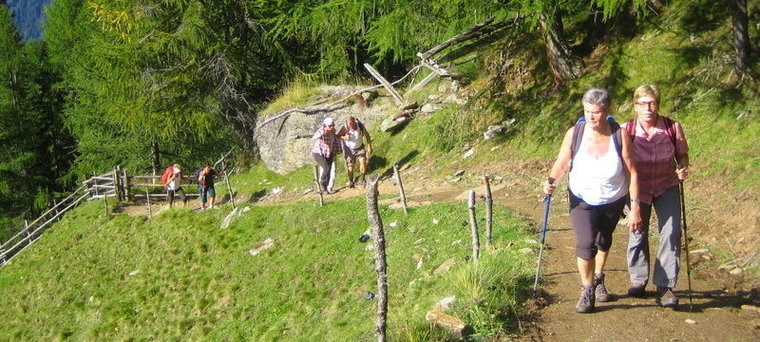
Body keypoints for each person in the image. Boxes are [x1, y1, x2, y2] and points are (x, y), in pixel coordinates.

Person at [543, 87, 641, 313]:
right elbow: (561, 162)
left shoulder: (620, 135)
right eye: (587, 111)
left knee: (603, 240)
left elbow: (632, 172)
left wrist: (634, 206)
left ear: (607, 111)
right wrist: (551, 180)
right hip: (582, 198)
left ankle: (598, 277)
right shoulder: (574, 133)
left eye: (595, 112)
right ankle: (587, 290)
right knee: (586, 243)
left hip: (613, 198)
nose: (590, 117)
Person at [623, 85, 690, 308]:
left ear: (658, 104)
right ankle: (638, 279)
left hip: (666, 185)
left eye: (652, 103)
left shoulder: (672, 127)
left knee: (671, 232)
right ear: (635, 106)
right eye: (642, 103)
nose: (648, 108)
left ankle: (665, 286)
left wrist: (682, 167)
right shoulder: (627, 130)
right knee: (637, 233)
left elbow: (682, 155)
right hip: (637, 189)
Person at [339, 116, 373, 188]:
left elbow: (367, 135)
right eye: (349, 126)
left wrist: (369, 146)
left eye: (352, 125)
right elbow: (338, 136)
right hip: (349, 150)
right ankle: (351, 181)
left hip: (360, 147)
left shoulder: (360, 125)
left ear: (354, 122)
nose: (351, 127)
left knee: (363, 161)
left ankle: (362, 179)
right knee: (350, 168)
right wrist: (345, 137)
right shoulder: (345, 127)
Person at [311, 117, 342, 194]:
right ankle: (321, 183)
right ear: (325, 126)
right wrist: (324, 132)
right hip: (318, 153)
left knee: (329, 170)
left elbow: (336, 140)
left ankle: (326, 188)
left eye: (333, 125)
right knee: (326, 167)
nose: (332, 127)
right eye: (330, 126)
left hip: (329, 153)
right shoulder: (321, 131)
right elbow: (314, 137)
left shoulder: (333, 132)